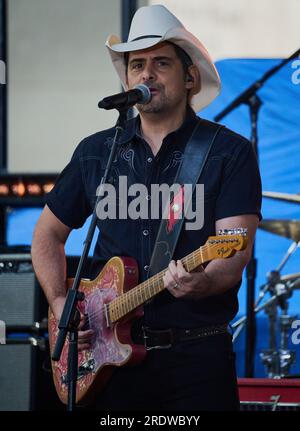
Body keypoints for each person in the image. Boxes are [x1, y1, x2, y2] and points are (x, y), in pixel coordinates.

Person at [31, 5, 262, 411]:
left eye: (160, 63)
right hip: (108, 366)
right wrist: (58, 304)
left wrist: (204, 282)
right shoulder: (96, 152)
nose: (146, 74)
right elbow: (47, 235)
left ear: (190, 78)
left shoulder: (228, 153)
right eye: (136, 65)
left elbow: (235, 250)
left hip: (195, 358)